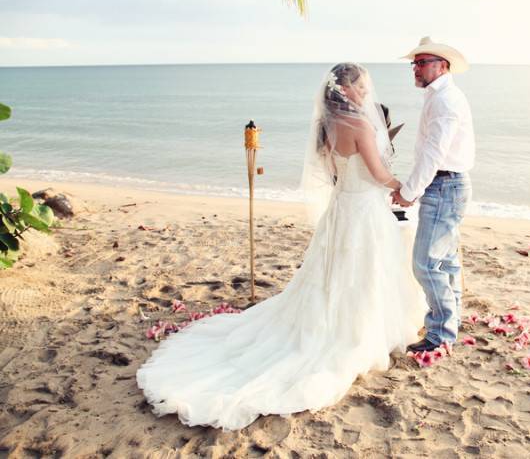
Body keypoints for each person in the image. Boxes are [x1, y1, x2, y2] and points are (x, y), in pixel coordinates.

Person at [137, 63, 426, 431]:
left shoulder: (328, 127)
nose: (367, 93)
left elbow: (337, 173)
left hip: (342, 209)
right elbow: (378, 174)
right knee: (365, 272)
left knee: (335, 272)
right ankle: (357, 332)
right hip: (364, 211)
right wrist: (407, 188)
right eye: (362, 87)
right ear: (347, 90)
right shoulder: (361, 126)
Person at [391, 37, 476, 353]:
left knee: (425, 263)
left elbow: (433, 154)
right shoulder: (439, 97)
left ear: (443, 65)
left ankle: (440, 334)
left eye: (422, 62)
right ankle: (450, 324)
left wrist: (409, 192)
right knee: (446, 261)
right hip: (447, 184)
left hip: (445, 185)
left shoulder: (445, 100)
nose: (416, 68)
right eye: (415, 63)